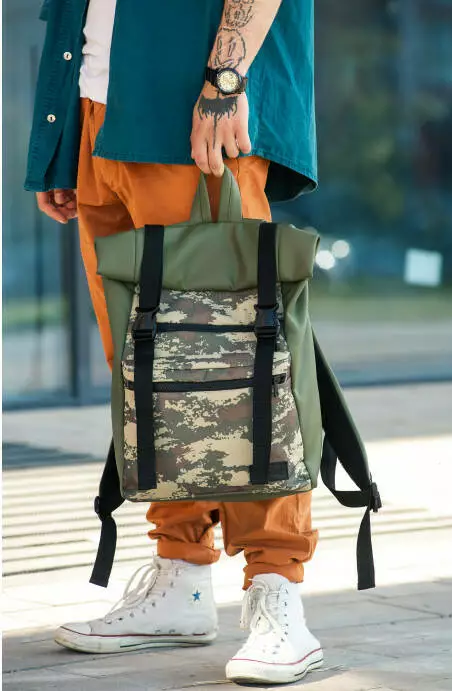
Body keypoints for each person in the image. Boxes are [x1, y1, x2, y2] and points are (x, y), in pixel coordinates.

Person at [26, 0, 321, 683]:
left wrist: (225, 80)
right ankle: (181, 576)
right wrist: (62, 133)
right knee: (147, 371)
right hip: (98, 108)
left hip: (193, 109)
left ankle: (277, 587)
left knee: (242, 364)